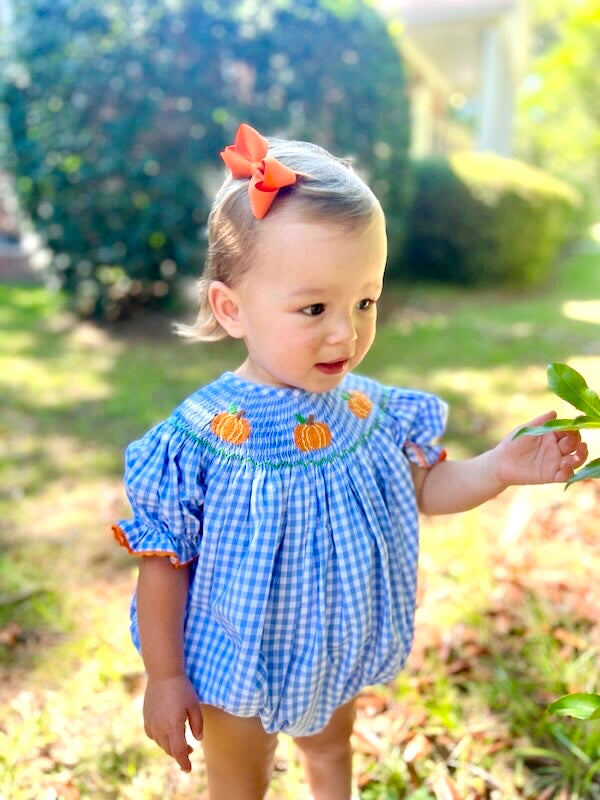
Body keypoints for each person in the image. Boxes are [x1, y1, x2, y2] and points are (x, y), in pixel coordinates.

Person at [112, 123, 588, 800]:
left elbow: (425, 485)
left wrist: (500, 467)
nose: (347, 331)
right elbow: (163, 564)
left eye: (364, 301)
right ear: (232, 309)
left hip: (329, 643)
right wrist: (165, 678)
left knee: (331, 751)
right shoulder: (201, 439)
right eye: (314, 308)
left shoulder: (368, 410)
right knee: (239, 781)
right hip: (235, 657)